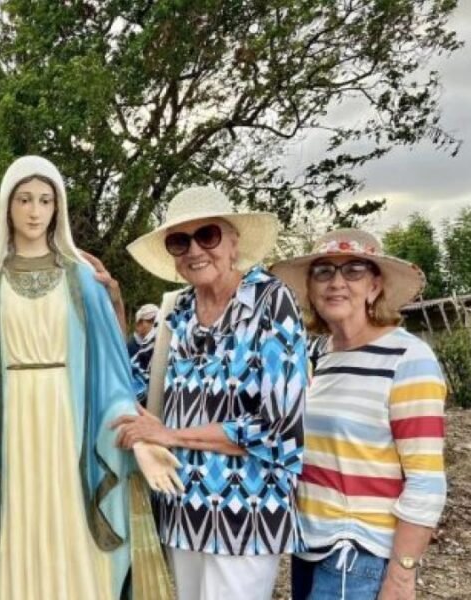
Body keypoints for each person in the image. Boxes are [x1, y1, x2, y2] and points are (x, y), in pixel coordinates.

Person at [0, 156, 181, 600]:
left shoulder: (83, 281)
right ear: (6, 206)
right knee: (16, 554)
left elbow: (110, 386)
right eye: (24, 199)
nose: (34, 211)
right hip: (8, 447)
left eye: (45, 200)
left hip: (73, 441)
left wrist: (138, 440)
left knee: (74, 551)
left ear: (58, 207)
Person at [116, 186, 308, 600]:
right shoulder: (178, 311)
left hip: (246, 511)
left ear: (234, 241)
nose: (194, 250)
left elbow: (278, 428)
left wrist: (172, 435)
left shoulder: (271, 302)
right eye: (179, 241)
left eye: (207, 235)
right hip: (182, 509)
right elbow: (129, 384)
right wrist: (111, 305)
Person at [271, 229, 447, 600]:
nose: (336, 282)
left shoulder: (407, 358)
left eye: (353, 270)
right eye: (323, 272)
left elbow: (426, 481)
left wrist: (401, 575)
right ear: (310, 288)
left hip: (358, 553)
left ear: (374, 286)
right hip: (309, 544)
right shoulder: (320, 354)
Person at [127, 303, 159, 386]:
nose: (155, 325)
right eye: (151, 321)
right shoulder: (128, 348)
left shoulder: (156, 347)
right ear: (138, 324)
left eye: (158, 321)